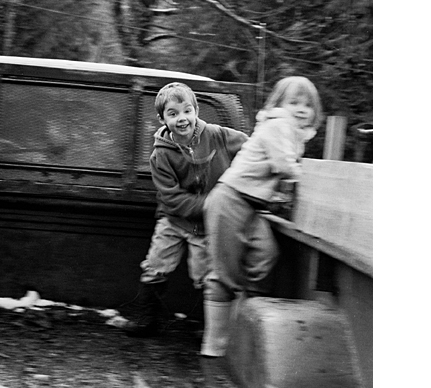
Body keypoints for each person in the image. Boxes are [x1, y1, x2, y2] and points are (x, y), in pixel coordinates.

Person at [201, 76, 322, 357]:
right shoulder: (278, 125)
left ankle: (241, 332)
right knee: (224, 273)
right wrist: (314, 180)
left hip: (252, 206)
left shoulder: (293, 133)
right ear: (278, 104)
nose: (301, 109)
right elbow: (285, 166)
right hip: (230, 199)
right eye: (294, 102)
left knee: (265, 256)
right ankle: (215, 345)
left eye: (308, 105)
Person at [123, 81, 248, 337]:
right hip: (173, 220)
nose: (182, 118)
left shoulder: (217, 135)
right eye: (173, 113)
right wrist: (212, 205)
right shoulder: (161, 155)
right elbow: (171, 198)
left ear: (196, 111)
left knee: (205, 274)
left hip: (205, 226)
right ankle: (147, 321)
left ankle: (209, 327)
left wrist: (240, 186)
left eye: (187, 111)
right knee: (155, 265)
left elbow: (252, 150)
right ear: (162, 119)